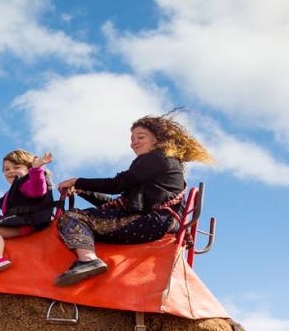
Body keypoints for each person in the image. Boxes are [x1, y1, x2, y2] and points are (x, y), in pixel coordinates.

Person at [52, 113, 212, 287]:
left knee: (71, 217)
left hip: (153, 221)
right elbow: (118, 203)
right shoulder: (162, 166)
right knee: (97, 215)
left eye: (140, 137)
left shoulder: (156, 158)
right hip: (160, 220)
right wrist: (83, 190)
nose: (133, 142)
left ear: (157, 140)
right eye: (132, 138)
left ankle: (87, 260)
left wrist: (77, 181)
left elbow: (116, 184)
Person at [0, 149, 55, 278]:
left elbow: (38, 190)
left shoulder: (27, 182)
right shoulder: (13, 191)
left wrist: (36, 169)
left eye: (16, 167)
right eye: (6, 169)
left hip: (30, 224)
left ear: (28, 169)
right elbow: (11, 218)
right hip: (24, 222)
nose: (10, 171)